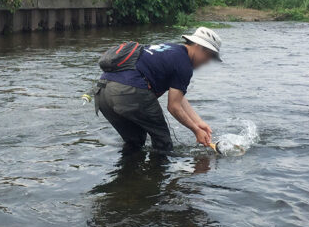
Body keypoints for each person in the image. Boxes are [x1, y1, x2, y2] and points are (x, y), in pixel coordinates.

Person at [94, 27, 222, 152]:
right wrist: (196, 131)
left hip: (102, 93)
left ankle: (128, 173)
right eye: (209, 57)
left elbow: (178, 97)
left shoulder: (170, 49)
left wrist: (199, 122)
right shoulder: (184, 64)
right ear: (199, 47)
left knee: (135, 142)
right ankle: (158, 173)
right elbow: (173, 107)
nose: (207, 62)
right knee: (163, 143)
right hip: (128, 92)